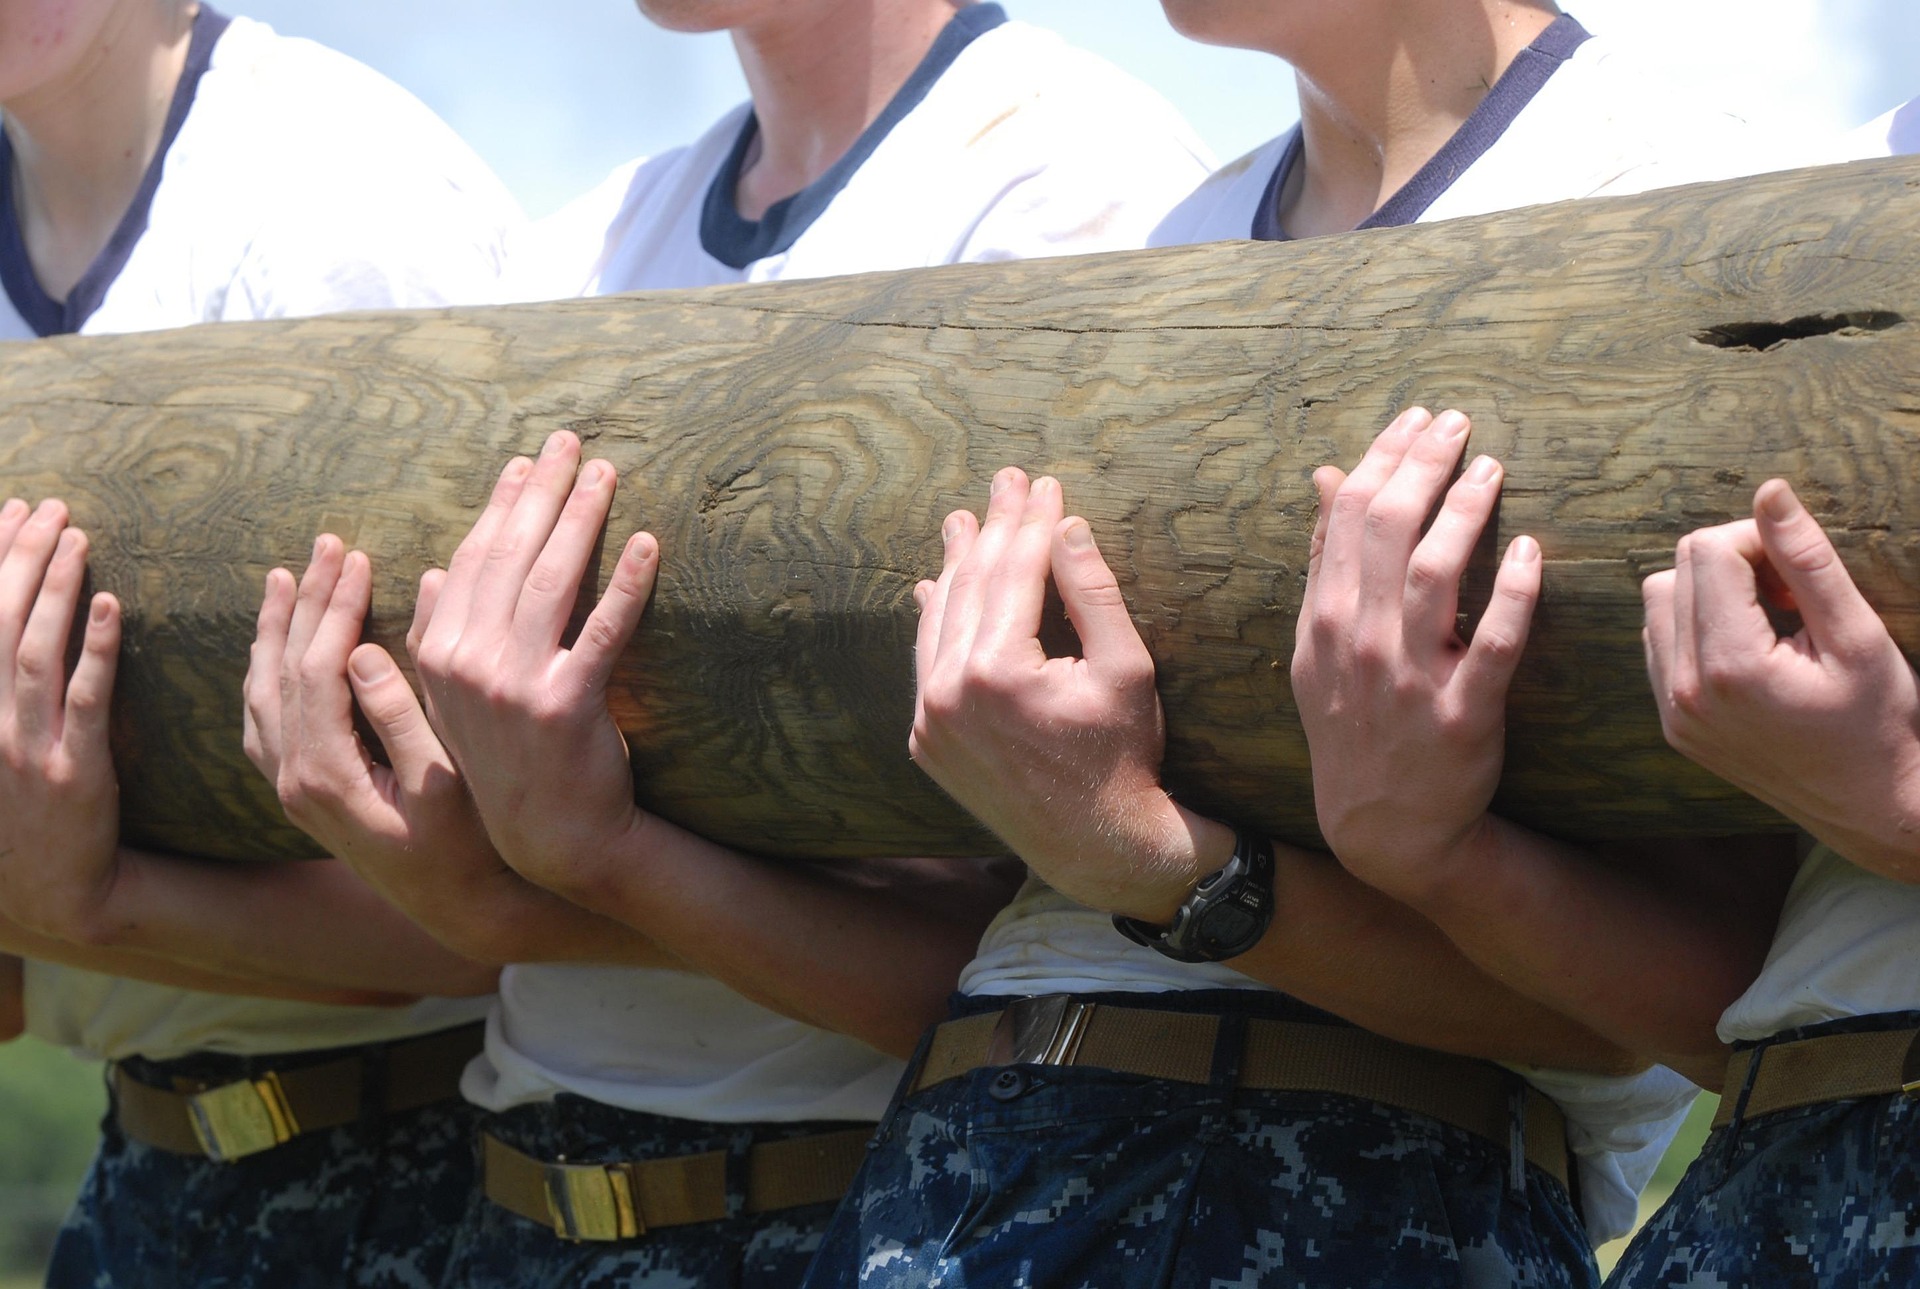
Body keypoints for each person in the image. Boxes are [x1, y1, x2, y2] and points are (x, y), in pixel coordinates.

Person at [803, 5, 1778, 1286]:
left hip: (1356, 1190)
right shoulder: (1172, 235)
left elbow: (1706, 996)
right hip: (947, 1163)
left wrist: (1175, 865)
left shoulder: (1696, 190)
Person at [255, 2, 1213, 1285]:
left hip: (866, 1207)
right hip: (514, 1200)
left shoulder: (1081, 177)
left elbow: (1043, 956)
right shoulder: (595, 234)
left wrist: (579, 870)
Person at [0, 1, 529, 1284]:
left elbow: (495, 903)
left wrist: (85, 902)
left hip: (429, 1164)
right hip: (138, 1158)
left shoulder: (341, 200)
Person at [1605, 96, 1920, 1288]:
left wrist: (1899, 803)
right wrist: (1418, 846)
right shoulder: (1796, 182)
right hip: (1770, 1153)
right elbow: (1707, 988)